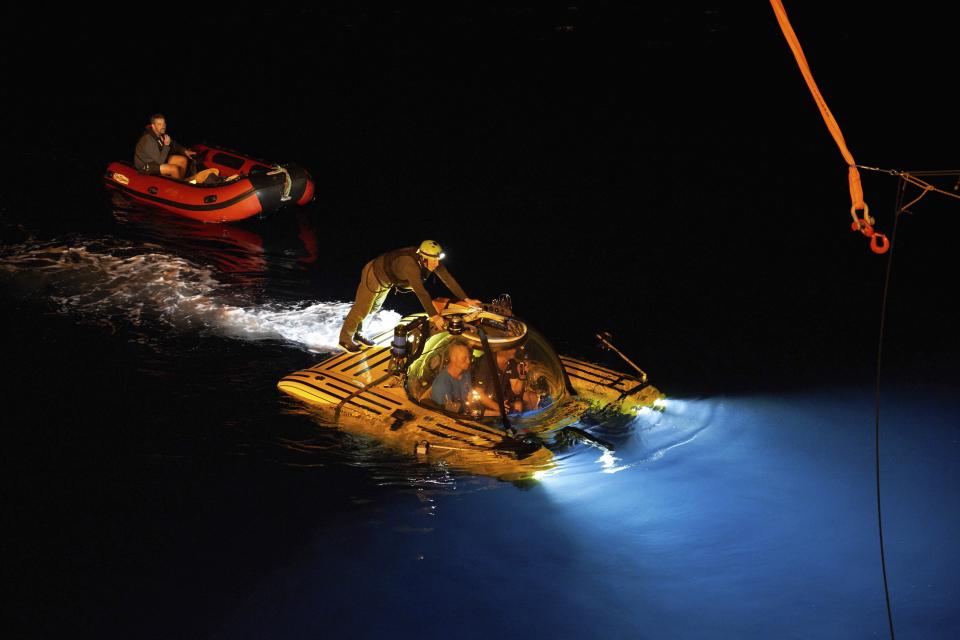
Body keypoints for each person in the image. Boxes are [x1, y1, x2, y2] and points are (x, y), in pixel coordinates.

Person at [338, 240, 482, 352]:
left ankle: (359, 333)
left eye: (438, 259)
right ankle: (345, 340)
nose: (436, 263)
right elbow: (420, 291)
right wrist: (434, 316)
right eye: (433, 260)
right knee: (362, 309)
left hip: (388, 281)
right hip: (375, 274)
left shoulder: (431, 262)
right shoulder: (410, 265)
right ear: (423, 258)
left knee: (374, 308)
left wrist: (467, 299)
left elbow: (448, 279)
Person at [133, 113, 197, 180]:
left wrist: (184, 151)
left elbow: (173, 144)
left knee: (182, 160)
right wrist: (166, 145)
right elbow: (160, 162)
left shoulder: (160, 133)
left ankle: (180, 182)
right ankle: (176, 187)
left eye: (164, 123)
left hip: (156, 159)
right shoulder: (148, 140)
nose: (163, 126)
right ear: (153, 126)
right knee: (174, 169)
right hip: (145, 165)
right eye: (159, 124)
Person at [430, 342, 474, 413]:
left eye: (469, 357)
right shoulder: (442, 383)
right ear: (453, 358)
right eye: (464, 358)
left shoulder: (466, 374)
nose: (468, 361)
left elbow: (470, 396)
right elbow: (446, 412)